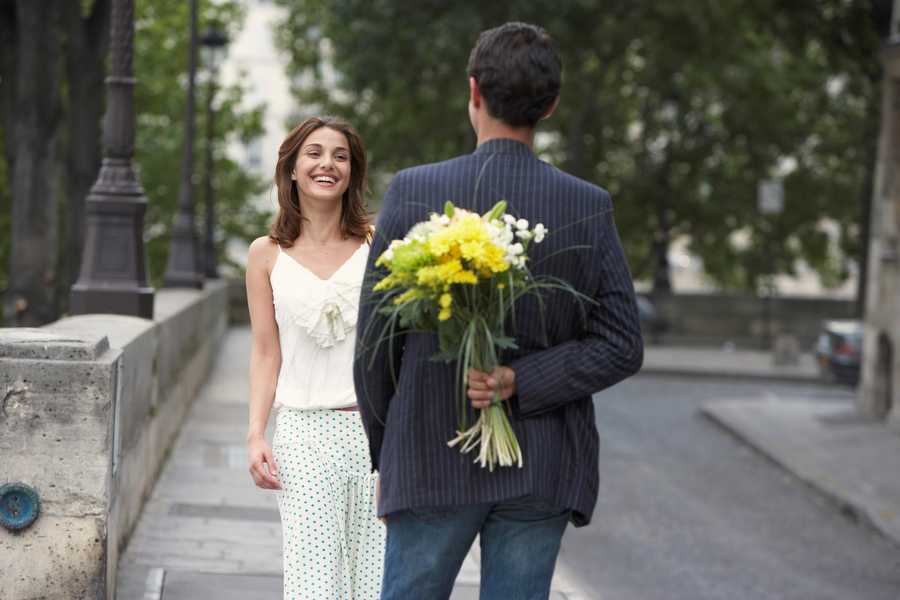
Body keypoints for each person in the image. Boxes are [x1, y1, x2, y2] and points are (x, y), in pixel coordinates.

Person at [354, 22, 644, 600]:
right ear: (551, 105)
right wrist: (521, 379)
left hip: (427, 457)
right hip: (540, 466)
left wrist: (389, 453)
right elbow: (621, 344)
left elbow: (374, 345)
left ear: (473, 93)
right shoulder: (588, 206)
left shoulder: (413, 191)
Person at [245, 116, 385, 599]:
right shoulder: (265, 254)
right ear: (291, 169)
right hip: (303, 434)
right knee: (315, 581)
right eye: (315, 153)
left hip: (375, 435)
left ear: (353, 172)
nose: (327, 163)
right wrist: (255, 433)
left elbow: (398, 349)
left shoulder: (380, 245)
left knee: (376, 580)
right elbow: (266, 352)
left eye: (340, 155)